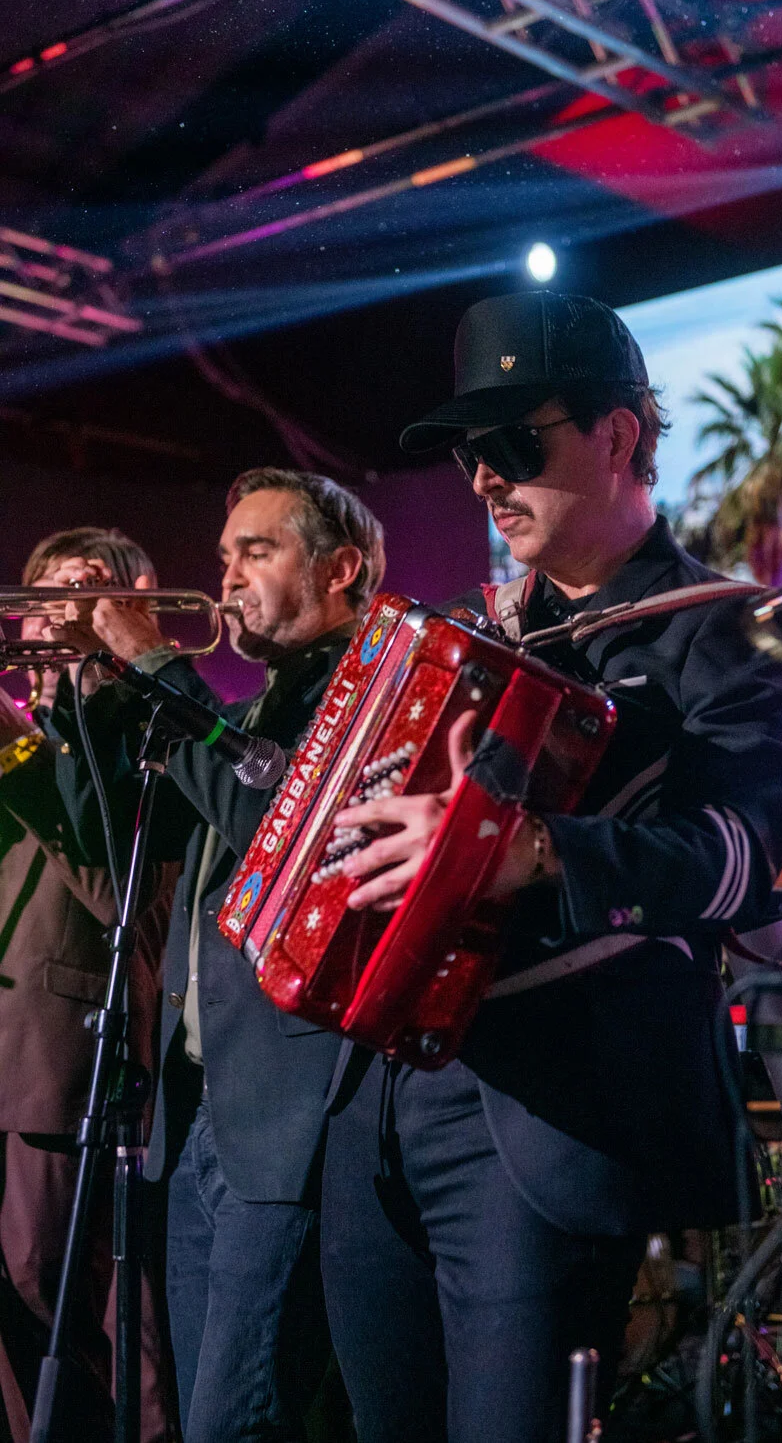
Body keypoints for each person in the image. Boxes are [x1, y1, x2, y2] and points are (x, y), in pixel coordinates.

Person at [318, 291, 782, 1443]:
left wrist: (527, 852)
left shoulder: (734, 629)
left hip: (552, 1122)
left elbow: (735, 861)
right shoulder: (465, 629)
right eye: (466, 454)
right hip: (381, 1116)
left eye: (510, 443)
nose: (483, 478)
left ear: (619, 435)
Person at [49, 472, 385, 1443]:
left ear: (340, 568)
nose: (226, 578)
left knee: (236, 1421)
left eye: (256, 551)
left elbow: (279, 823)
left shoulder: (356, 694)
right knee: (205, 1409)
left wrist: (152, 659)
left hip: (286, 1117)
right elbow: (110, 845)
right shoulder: (250, 711)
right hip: (202, 1117)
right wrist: (89, 689)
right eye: (225, 554)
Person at [0, 527, 176, 1443]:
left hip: (63, 1067)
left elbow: (121, 892)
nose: (49, 618)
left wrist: (29, 740)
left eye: (77, 592)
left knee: (69, 1306)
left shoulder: (133, 735)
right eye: (40, 599)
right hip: (8, 1055)